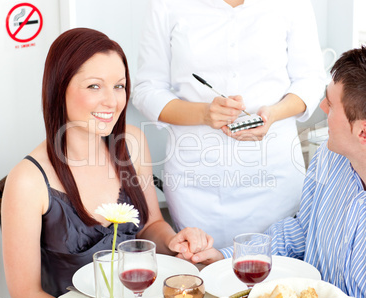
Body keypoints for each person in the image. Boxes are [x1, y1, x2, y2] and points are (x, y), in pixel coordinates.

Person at [1, 28, 213, 298]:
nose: (112, 101)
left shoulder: (132, 143)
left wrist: (173, 242)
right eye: (94, 86)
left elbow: (150, 225)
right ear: (58, 88)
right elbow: (26, 296)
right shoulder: (27, 181)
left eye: (119, 86)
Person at [192, 43, 366, 298]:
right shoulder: (329, 160)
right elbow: (301, 231)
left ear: (363, 133)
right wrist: (226, 257)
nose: (321, 106)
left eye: (331, 106)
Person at [132, 0, 326, 248]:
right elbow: (147, 89)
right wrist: (203, 114)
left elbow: (310, 79)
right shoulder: (167, 5)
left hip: (275, 178)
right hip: (197, 184)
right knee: (202, 270)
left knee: (276, 269)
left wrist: (274, 113)